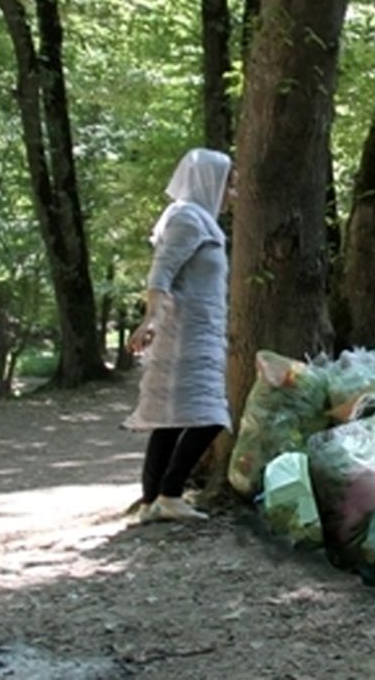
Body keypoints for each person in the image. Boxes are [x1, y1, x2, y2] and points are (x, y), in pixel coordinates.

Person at [125, 147, 235, 523]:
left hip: (199, 329)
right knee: (212, 416)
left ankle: (150, 501)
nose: (232, 194)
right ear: (209, 181)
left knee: (172, 419)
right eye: (228, 185)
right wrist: (151, 320)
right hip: (187, 334)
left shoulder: (200, 220)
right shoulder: (188, 219)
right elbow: (161, 273)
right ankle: (170, 494)